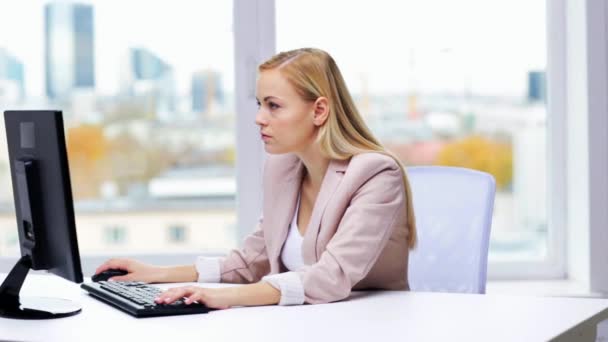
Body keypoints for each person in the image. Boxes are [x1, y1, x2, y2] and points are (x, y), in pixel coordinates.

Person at [95, 48, 417, 309]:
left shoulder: (375, 175)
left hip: (369, 325)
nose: (259, 118)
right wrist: (159, 275)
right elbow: (251, 261)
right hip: (306, 324)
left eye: (274, 106)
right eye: (260, 104)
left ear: (319, 111)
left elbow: (332, 276)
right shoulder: (282, 168)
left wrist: (226, 297)